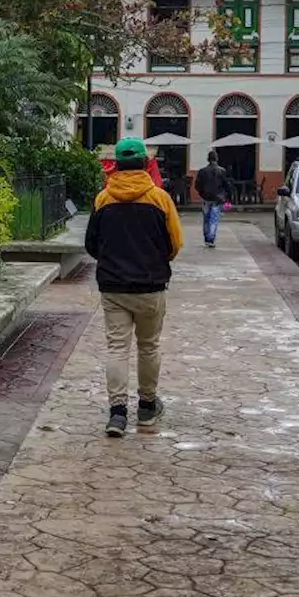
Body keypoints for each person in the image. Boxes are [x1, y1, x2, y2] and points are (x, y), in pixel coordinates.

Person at [85, 137, 184, 438]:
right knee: (148, 345)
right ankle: (147, 408)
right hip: (150, 286)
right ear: (144, 164)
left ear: (116, 165)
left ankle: (117, 414)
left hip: (113, 287)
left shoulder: (103, 199)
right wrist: (153, 261)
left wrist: (113, 260)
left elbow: (91, 245)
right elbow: (175, 244)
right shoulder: (160, 198)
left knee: (117, 347)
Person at [194, 150, 234, 247]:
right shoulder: (222, 171)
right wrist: (229, 197)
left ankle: (207, 238)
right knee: (214, 219)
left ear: (208, 159)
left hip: (206, 198)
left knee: (206, 219)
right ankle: (211, 239)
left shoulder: (202, 171)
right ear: (217, 159)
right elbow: (226, 185)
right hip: (217, 199)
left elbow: (197, 185)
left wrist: (201, 193)